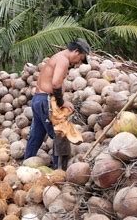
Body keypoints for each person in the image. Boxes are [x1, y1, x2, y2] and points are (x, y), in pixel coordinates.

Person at [23, 38, 91, 168]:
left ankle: (26, 164)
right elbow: (55, 83)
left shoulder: (57, 57)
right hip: (46, 101)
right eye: (81, 58)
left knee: (36, 135)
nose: (78, 62)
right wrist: (61, 102)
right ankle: (59, 171)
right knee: (61, 134)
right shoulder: (63, 60)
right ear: (76, 52)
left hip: (38, 99)